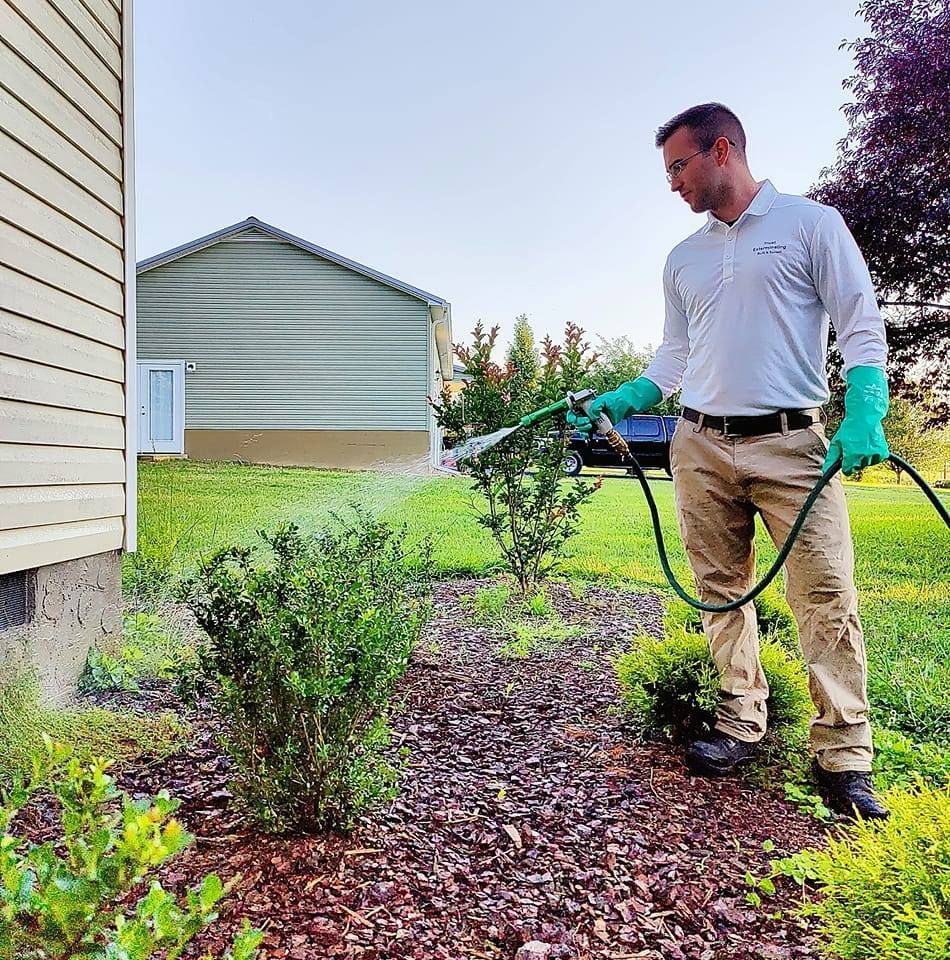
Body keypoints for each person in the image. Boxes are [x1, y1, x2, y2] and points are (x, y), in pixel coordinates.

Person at [571, 103, 890, 819]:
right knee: (721, 591)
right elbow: (676, 354)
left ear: (722, 150)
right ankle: (740, 720)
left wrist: (866, 403)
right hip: (700, 443)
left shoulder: (811, 225)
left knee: (826, 596)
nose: (673, 183)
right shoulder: (684, 257)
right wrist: (632, 393)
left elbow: (859, 323)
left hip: (793, 445)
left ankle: (844, 756)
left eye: (679, 166)